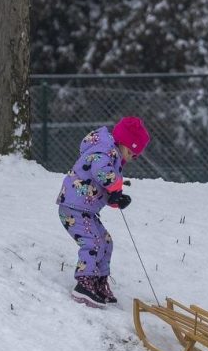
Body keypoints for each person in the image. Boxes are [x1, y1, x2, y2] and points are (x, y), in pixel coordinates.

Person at [56, 117, 150, 307]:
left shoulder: (112, 155)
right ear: (125, 143)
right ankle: (84, 283)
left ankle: (99, 281)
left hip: (85, 210)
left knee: (106, 242)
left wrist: (116, 200)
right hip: (73, 208)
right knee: (93, 242)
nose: (135, 157)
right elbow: (100, 171)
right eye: (134, 152)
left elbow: (102, 185)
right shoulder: (104, 151)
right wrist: (116, 186)